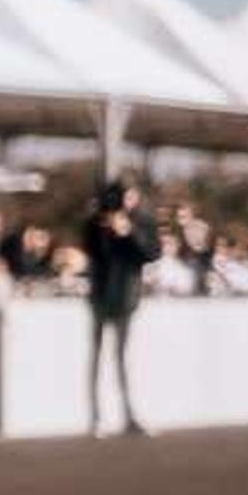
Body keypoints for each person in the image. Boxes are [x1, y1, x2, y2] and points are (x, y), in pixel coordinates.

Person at [84, 177, 155, 437]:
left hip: (125, 298)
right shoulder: (95, 224)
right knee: (97, 357)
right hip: (102, 297)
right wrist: (106, 230)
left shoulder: (142, 222)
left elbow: (149, 254)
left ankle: (130, 415)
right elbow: (93, 251)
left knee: (122, 359)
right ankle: (96, 416)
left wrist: (128, 234)